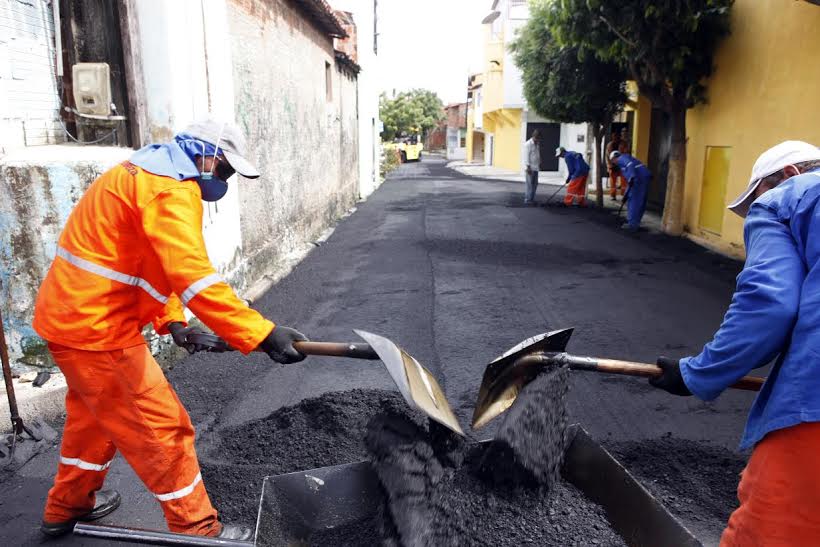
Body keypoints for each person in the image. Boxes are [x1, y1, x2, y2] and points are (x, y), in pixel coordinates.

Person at [32, 118, 309, 541]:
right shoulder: (172, 191)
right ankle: (198, 530)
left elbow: (152, 262)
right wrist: (261, 333)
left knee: (93, 423)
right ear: (207, 155)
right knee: (163, 430)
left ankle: (65, 507)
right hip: (99, 332)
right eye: (226, 169)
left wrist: (174, 321)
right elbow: (194, 276)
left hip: (70, 322)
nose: (225, 179)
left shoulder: (142, 173)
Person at [649, 141, 820, 545]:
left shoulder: (788, 197)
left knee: (769, 532)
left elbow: (771, 306)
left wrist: (696, 374)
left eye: (756, 194)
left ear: (790, 175)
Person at [610, 150, 651, 231]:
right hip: (642, 178)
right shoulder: (624, 164)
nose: (614, 163)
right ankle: (635, 223)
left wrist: (632, 176)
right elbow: (630, 182)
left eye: (612, 161)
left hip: (639, 179)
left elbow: (630, 165)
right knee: (639, 200)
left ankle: (632, 224)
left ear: (614, 158)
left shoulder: (621, 158)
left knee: (634, 200)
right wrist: (625, 195)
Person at [605, 131, 626, 200]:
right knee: (613, 182)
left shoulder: (623, 144)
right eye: (614, 136)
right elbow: (607, 156)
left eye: (616, 136)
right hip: (613, 165)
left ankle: (624, 194)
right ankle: (613, 195)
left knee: (624, 180)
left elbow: (626, 153)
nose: (615, 138)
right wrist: (609, 165)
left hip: (622, 165)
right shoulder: (609, 145)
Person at [523, 130, 541, 205]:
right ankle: (528, 199)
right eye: (538, 138)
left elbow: (537, 154)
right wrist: (528, 167)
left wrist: (539, 163)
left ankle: (531, 199)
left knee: (535, 184)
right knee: (529, 184)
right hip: (530, 168)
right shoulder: (528, 144)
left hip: (536, 167)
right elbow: (526, 156)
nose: (539, 140)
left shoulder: (537, 144)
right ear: (534, 136)